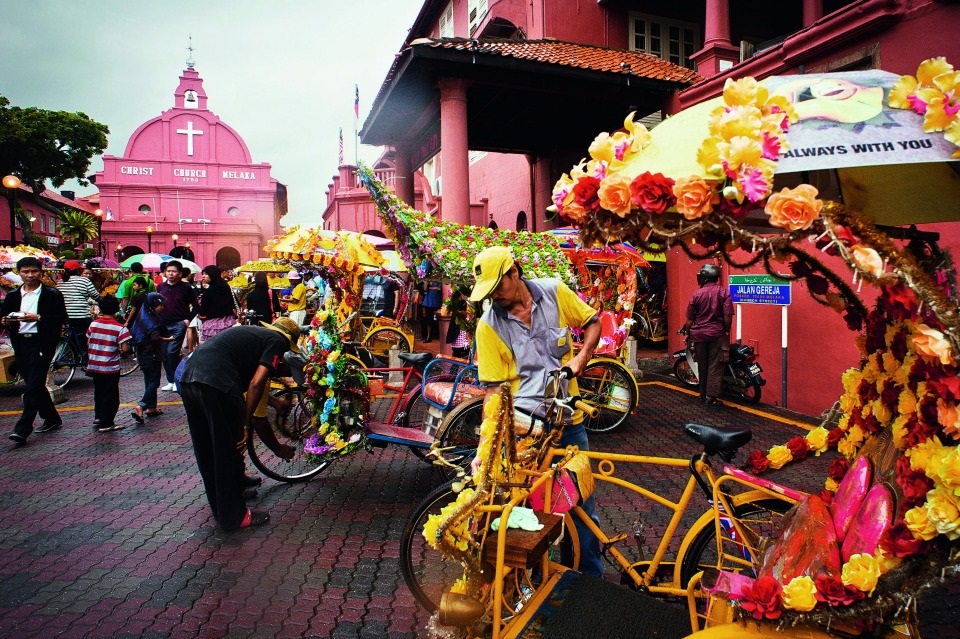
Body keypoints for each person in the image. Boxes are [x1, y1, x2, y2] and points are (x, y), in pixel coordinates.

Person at [468, 246, 604, 576]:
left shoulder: (555, 292)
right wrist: (483, 448)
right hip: (526, 431)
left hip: (569, 424)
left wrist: (581, 358)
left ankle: (591, 579)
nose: (494, 296)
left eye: (497, 287)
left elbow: (593, 323)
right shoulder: (488, 327)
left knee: (583, 508)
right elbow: (493, 393)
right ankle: (541, 584)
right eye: (488, 292)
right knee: (533, 513)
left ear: (514, 272)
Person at [178, 317, 303, 530]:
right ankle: (234, 516)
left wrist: (273, 403)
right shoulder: (277, 341)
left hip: (189, 377)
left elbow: (252, 381)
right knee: (229, 450)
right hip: (217, 383)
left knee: (207, 449)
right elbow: (256, 384)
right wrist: (245, 425)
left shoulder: (254, 335)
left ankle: (222, 507)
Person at [2, 257, 68, 444]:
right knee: (33, 382)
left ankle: (23, 427)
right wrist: (5, 320)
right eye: (25, 271)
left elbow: (61, 318)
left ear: (41, 272)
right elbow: (4, 316)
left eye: (34, 271)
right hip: (20, 342)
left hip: (42, 342)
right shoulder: (13, 296)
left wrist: (38, 317)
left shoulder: (51, 294)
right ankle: (51, 417)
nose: (30, 275)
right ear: (19, 273)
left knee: (34, 383)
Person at [681, 264, 733, 406]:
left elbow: (690, 319)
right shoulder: (724, 293)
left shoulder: (696, 294)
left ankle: (703, 394)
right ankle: (711, 397)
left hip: (699, 335)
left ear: (703, 278)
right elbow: (728, 315)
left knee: (702, 365)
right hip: (717, 334)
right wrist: (727, 330)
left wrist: (687, 333)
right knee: (715, 365)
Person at [86, 295, 132, 432]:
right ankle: (106, 423)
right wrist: (122, 351)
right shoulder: (120, 328)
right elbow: (125, 349)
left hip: (94, 364)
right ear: (116, 309)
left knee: (99, 391)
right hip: (109, 367)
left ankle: (99, 416)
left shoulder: (93, 324)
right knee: (111, 395)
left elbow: (88, 342)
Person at [156, 260, 198, 392]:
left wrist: (187, 319)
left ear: (180, 273)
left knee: (171, 352)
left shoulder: (186, 288)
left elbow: (196, 306)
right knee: (164, 353)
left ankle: (177, 379)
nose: (170, 274)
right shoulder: (160, 287)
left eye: (173, 271)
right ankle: (171, 380)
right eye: (168, 271)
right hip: (162, 324)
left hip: (179, 324)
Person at [57, 259, 100, 357]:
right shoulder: (84, 281)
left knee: (74, 335)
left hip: (66, 315)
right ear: (78, 270)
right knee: (91, 334)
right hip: (81, 315)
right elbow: (96, 295)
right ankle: (87, 356)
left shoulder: (60, 282)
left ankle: (75, 354)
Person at [197, 265, 237, 343]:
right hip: (228, 321)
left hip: (213, 324)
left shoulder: (210, 291)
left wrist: (201, 315)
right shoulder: (225, 286)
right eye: (203, 274)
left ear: (213, 274)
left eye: (206, 274)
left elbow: (204, 308)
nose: (203, 276)